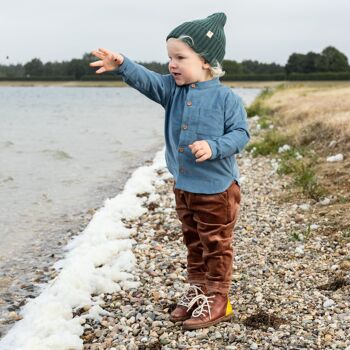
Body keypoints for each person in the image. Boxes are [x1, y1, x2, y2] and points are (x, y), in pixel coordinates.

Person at [90, 12, 250, 330]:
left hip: (217, 189)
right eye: (169, 57)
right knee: (193, 242)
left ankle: (219, 298)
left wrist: (215, 147)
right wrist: (123, 64)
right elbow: (147, 80)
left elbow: (241, 134)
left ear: (206, 61)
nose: (171, 64)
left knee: (215, 244)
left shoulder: (226, 99)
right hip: (185, 187)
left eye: (180, 57)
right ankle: (198, 290)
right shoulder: (172, 91)